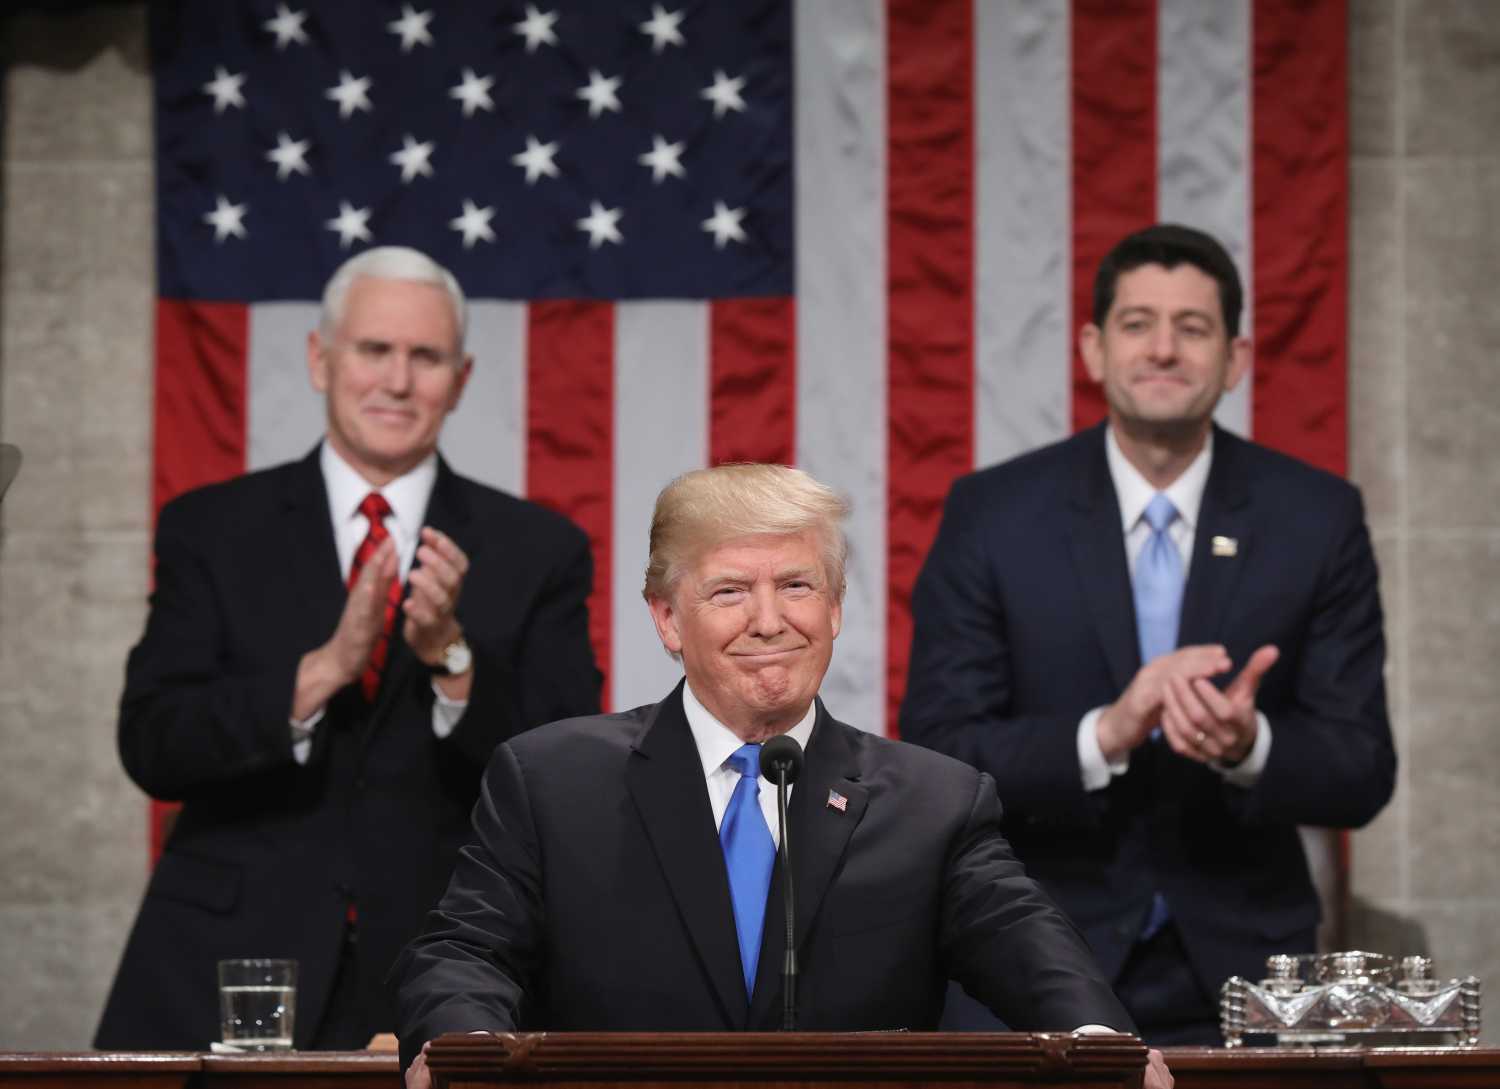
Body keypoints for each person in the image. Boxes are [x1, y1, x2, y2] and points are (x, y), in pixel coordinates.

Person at [393, 464, 1173, 1089]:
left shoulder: (935, 802)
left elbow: (1026, 944)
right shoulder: (552, 780)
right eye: (730, 591)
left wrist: (1102, 1048)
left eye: (797, 585)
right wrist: (467, 1051)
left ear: (834, 606)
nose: (769, 620)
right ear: (667, 618)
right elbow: (462, 952)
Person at [94, 246, 603, 1050]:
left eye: (425, 357)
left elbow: (570, 773)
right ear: (320, 358)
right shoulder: (211, 528)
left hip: (445, 973)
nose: (397, 381)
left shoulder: (538, 547)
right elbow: (154, 741)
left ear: (461, 378)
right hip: (228, 966)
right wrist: (324, 669)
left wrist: (453, 661)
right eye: (374, 350)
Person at [900, 224, 1395, 1044]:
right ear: (1094, 348)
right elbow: (940, 752)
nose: (1164, 348)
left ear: (1234, 358)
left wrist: (1251, 745)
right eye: (1138, 323)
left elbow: (1363, 768)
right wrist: (1106, 733)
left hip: (1246, 979)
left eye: (1192, 327)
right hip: (1029, 964)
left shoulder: (1317, 517)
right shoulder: (993, 515)